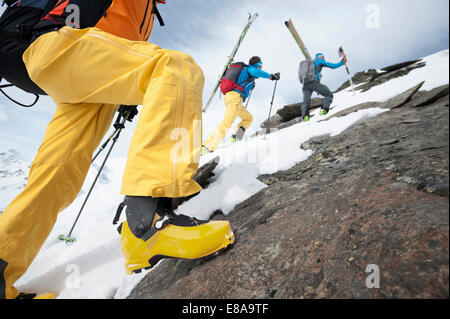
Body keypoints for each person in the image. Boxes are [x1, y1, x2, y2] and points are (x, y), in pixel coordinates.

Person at [0, 0, 235, 299]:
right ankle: (147, 224)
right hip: (51, 43)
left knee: (58, 175)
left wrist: (123, 94)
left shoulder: (147, 12)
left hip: (75, 68)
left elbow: (115, 46)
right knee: (175, 67)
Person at [201, 56, 280, 154]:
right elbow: (255, 72)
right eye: (260, 66)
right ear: (257, 65)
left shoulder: (245, 71)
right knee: (227, 123)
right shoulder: (250, 69)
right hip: (235, 98)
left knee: (248, 118)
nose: (261, 69)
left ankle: (236, 137)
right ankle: (207, 147)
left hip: (232, 98)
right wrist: (271, 76)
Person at [301, 53, 346, 121]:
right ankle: (324, 110)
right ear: (320, 57)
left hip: (305, 83)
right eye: (323, 57)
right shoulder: (320, 61)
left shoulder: (310, 63)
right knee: (329, 94)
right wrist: (342, 62)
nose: (324, 58)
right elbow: (333, 66)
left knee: (306, 101)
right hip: (313, 82)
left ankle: (305, 117)